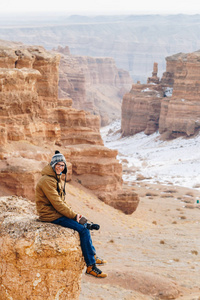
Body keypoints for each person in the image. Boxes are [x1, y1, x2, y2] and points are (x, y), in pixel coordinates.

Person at [35, 150, 107, 278]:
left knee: (85, 226)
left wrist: (76, 215)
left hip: (56, 212)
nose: (60, 167)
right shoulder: (47, 181)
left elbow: (61, 203)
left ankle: (93, 256)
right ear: (52, 165)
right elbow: (57, 204)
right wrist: (74, 216)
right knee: (83, 230)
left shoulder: (55, 179)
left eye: (62, 165)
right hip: (50, 215)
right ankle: (90, 266)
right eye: (58, 164)